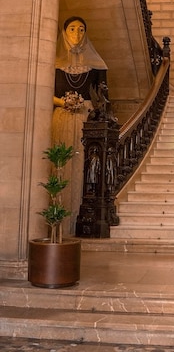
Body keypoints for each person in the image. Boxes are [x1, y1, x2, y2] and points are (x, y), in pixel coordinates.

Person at [52, 16, 108, 234]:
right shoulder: (54, 64)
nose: (77, 33)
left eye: (81, 29)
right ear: (65, 32)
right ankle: (57, 219)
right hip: (61, 118)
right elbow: (44, 93)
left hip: (86, 120)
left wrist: (87, 106)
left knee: (83, 162)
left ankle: (80, 216)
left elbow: (103, 96)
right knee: (60, 162)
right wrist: (63, 101)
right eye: (72, 29)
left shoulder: (96, 66)